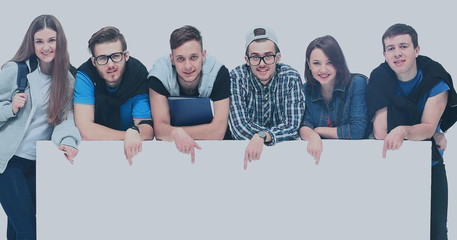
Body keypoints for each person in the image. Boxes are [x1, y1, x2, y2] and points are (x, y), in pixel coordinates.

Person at [366, 23, 457, 240]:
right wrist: (427, 132)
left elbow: (426, 126)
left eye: (403, 46)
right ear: (384, 54)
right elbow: (381, 131)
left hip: (429, 164)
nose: (397, 53)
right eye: (390, 48)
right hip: (388, 164)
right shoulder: (379, 77)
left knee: (436, 232)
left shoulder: (436, 77)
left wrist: (409, 130)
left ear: (417, 50)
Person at [0, 14, 81, 239]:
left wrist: (67, 141)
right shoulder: (16, 71)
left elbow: (66, 118)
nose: (46, 47)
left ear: (60, 41)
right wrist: (10, 109)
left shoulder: (67, 79)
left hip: (38, 164)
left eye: (51, 40)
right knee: (29, 232)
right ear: (31, 43)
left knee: (18, 230)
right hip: (8, 163)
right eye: (39, 41)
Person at [148, 25, 231, 163]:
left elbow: (218, 132)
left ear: (203, 55)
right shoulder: (158, 75)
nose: (188, 66)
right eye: (180, 59)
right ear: (172, 59)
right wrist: (174, 133)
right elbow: (159, 131)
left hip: (215, 149)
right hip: (172, 150)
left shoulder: (219, 73)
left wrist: (175, 131)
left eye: (193, 57)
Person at [74, 27, 153, 165]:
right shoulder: (85, 75)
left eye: (116, 56)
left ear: (126, 55)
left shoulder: (138, 73)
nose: (110, 64)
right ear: (93, 61)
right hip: (94, 154)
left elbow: (148, 130)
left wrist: (136, 131)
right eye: (102, 58)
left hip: (134, 154)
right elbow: (85, 130)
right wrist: (130, 134)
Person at [229, 25, 306, 169]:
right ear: (246, 60)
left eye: (268, 56)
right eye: (255, 57)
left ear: (278, 58)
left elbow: (292, 126)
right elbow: (238, 127)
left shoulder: (291, 78)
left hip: (287, 157)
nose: (262, 63)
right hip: (243, 158)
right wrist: (268, 135)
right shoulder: (236, 77)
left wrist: (263, 136)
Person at [299, 35, 368, 164]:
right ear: (309, 64)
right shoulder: (306, 90)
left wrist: (318, 131)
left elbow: (357, 130)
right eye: (316, 63)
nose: (323, 69)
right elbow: (303, 126)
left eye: (330, 62)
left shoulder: (357, 83)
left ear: (338, 62)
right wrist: (313, 136)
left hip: (357, 157)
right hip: (321, 159)